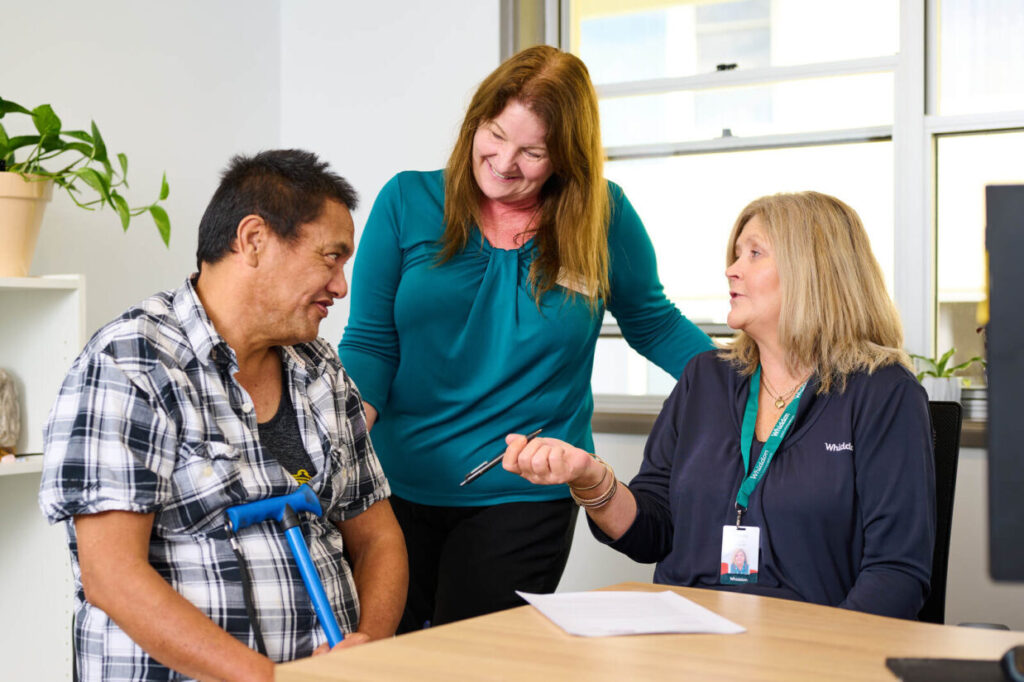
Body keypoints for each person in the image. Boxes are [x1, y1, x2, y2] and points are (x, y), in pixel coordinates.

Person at [339, 45, 713, 631]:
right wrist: (334, 443)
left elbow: (654, 323)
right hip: (394, 487)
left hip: (522, 492)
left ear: (565, 157)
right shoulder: (407, 201)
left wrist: (751, 385)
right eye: (494, 135)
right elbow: (370, 344)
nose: (504, 162)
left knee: (471, 663)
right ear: (475, 123)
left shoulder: (602, 217)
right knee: (394, 658)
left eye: (532, 152)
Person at [38, 149, 408, 681]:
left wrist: (367, 648)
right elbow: (111, 575)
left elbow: (378, 539)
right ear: (254, 239)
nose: (341, 286)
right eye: (331, 258)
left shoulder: (321, 367)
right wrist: (266, 677)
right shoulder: (130, 363)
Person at [503, 191, 936, 619]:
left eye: (754, 253)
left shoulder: (884, 393)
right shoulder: (704, 378)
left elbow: (895, 577)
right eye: (735, 254)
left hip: (809, 647)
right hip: (686, 641)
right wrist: (590, 478)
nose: (731, 270)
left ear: (814, 270)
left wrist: (818, 658)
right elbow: (652, 533)